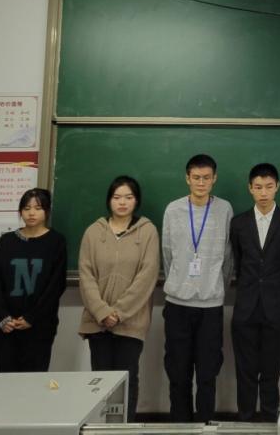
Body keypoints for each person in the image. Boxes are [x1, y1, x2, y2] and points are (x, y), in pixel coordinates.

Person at [78, 175, 160, 421]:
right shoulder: (93, 232)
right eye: (117, 197)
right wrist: (103, 312)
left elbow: (147, 275)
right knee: (100, 379)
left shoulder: (147, 231)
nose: (122, 202)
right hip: (97, 321)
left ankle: (125, 427)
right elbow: (86, 275)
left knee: (127, 378)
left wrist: (119, 312)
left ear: (136, 201)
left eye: (128, 197)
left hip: (131, 321)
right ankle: (100, 427)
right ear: (109, 200)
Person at [161, 154, 234, 423]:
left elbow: (228, 257)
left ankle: (205, 425)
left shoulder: (224, 209)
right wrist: (180, 282)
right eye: (196, 177)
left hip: (210, 307)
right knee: (178, 374)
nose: (201, 183)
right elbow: (167, 253)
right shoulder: (173, 209)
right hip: (178, 305)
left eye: (206, 178)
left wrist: (214, 286)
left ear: (214, 179)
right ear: (187, 178)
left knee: (207, 374)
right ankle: (179, 426)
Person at [229, 163, 280, 422]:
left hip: (275, 305)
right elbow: (238, 261)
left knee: (271, 369)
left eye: (269, 187)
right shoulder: (238, 223)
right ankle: (245, 418)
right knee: (245, 369)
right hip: (245, 306)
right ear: (250, 188)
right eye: (258, 187)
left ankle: (270, 417)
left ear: (277, 187)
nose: (263, 193)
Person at [0, 187, 68, 373]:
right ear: (20, 211)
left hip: (39, 327)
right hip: (6, 328)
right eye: (26, 208)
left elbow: (56, 286)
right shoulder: (6, 241)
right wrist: (2, 317)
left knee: (33, 383)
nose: (31, 213)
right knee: (4, 382)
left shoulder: (56, 241)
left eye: (38, 208)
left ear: (46, 211)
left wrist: (32, 317)